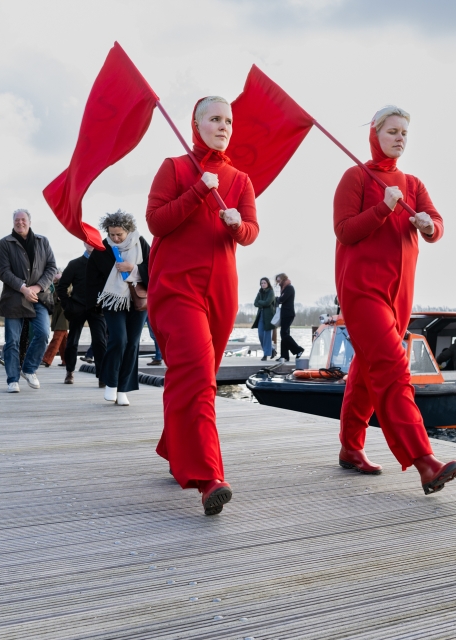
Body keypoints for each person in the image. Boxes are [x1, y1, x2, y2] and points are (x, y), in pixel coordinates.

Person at [333, 105, 456, 494]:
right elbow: (344, 230)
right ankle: (424, 461)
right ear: (374, 134)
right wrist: (383, 208)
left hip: (400, 294)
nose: (400, 138)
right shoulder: (356, 177)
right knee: (392, 368)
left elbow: (437, 224)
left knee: (366, 369)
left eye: (405, 132)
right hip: (362, 290)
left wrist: (429, 226)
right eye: (392, 131)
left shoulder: (413, 184)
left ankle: (350, 447)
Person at [146, 95, 258, 516]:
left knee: (196, 378)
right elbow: (156, 221)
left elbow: (251, 230)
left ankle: (174, 446)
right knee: (197, 377)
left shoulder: (240, 179)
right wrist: (197, 191)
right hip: (177, 288)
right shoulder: (175, 168)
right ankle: (210, 476)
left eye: (228, 120)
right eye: (215, 119)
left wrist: (239, 226)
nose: (224, 126)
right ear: (196, 125)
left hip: (221, 293)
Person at [85, 210, 150, 406]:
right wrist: (95, 302)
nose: (115, 238)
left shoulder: (141, 243)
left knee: (132, 344)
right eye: (111, 234)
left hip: (138, 301)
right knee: (119, 339)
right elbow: (91, 277)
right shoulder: (102, 248)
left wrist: (133, 268)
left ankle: (123, 389)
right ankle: (111, 383)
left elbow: (155, 268)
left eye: (119, 234)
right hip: (112, 302)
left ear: (128, 230)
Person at [0, 209, 57, 393]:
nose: (20, 222)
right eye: (17, 220)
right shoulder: (5, 243)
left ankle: (29, 368)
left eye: (23, 219)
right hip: (14, 298)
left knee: (43, 333)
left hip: (38, 297)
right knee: (12, 341)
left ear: (30, 222)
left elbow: (51, 267)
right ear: (13, 222)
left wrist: (37, 287)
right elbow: (3, 272)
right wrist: (23, 288)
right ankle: (12, 379)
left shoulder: (42, 241)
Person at [58, 243, 106, 386]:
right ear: (84, 243)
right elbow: (62, 286)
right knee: (72, 341)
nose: (90, 245)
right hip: (77, 308)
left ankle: (102, 375)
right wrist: (68, 305)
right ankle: (70, 371)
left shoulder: (103, 264)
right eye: (88, 242)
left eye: (93, 242)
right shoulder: (75, 264)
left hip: (97, 308)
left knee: (100, 341)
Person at [41, 271, 68, 368]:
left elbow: (68, 293)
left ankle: (46, 359)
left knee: (57, 337)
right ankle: (66, 360)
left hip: (64, 315)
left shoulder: (65, 284)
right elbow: (50, 299)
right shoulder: (51, 286)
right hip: (57, 314)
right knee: (63, 339)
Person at [275, 273, 303, 363]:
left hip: (288, 313)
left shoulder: (289, 288)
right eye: (277, 281)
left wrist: (276, 299)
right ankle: (284, 356)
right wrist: (278, 299)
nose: (278, 282)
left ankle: (298, 350)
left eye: (279, 280)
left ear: (283, 279)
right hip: (284, 313)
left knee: (284, 333)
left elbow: (281, 300)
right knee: (284, 334)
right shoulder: (284, 288)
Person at [252, 277, 276, 361]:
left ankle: (265, 354)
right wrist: (262, 303)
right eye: (262, 283)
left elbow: (267, 302)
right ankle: (272, 349)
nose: (263, 284)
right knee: (261, 335)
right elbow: (255, 303)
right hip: (261, 315)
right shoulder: (260, 292)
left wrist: (260, 302)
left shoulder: (271, 292)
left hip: (269, 316)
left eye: (264, 283)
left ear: (268, 283)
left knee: (267, 336)